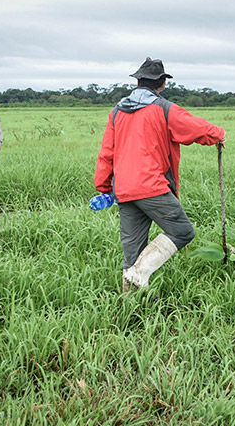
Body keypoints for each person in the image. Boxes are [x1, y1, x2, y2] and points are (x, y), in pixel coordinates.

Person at [94, 58, 226, 292]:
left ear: (138, 82)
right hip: (152, 187)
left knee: (132, 252)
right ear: (162, 83)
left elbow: (107, 153)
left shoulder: (117, 112)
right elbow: (195, 128)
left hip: (124, 190)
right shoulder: (164, 109)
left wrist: (104, 186)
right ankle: (138, 275)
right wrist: (218, 134)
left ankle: (131, 303)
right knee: (182, 232)